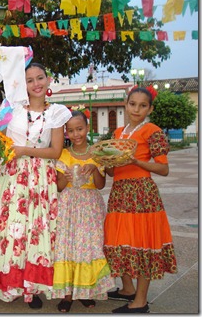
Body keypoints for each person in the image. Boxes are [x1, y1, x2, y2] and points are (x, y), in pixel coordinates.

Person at [0, 62, 72, 308]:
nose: (36, 84)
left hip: (41, 179)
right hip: (14, 178)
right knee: (13, 230)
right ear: (24, 84)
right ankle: (12, 283)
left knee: (37, 231)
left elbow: (55, 151)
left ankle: (34, 287)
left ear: (48, 79)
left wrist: (23, 151)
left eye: (40, 78)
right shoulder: (12, 110)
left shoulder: (57, 113)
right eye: (30, 80)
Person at [103, 87, 177, 313]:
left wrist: (135, 161)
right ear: (126, 104)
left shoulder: (152, 131)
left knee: (143, 243)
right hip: (119, 193)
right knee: (119, 240)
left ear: (149, 108)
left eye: (142, 105)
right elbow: (112, 173)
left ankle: (141, 301)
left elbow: (163, 169)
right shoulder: (118, 133)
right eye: (132, 103)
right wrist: (105, 161)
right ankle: (127, 289)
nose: (136, 109)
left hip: (142, 194)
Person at [52, 110, 114, 313]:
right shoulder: (63, 154)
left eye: (79, 129)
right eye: (70, 130)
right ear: (65, 132)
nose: (76, 134)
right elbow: (59, 187)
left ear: (88, 128)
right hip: (68, 206)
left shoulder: (97, 154)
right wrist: (67, 177)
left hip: (90, 207)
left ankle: (86, 291)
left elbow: (100, 185)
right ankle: (68, 295)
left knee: (89, 247)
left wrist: (94, 169)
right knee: (68, 247)